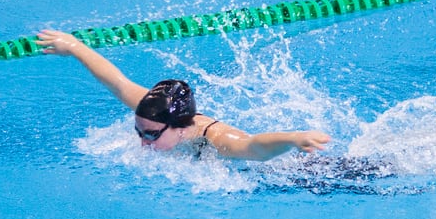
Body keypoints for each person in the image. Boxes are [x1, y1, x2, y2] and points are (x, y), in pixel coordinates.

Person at [36, 29, 331, 160]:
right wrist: (74, 46)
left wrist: (294, 138)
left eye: (150, 135)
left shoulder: (216, 140)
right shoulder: (154, 115)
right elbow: (118, 83)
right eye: (139, 131)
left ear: (180, 127)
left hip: (304, 172)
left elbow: (255, 147)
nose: (142, 141)